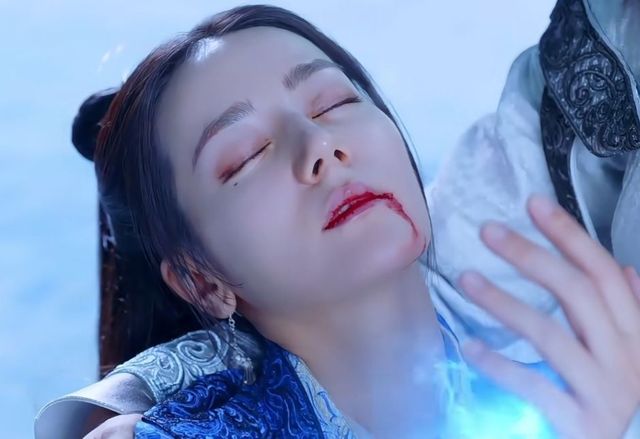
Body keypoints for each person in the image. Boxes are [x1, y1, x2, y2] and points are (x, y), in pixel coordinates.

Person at [34, 2, 640, 438]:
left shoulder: (554, 394)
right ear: (201, 280)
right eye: (245, 155)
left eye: (335, 102)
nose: (320, 144)